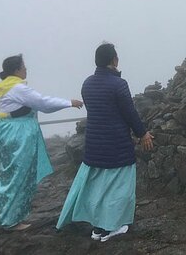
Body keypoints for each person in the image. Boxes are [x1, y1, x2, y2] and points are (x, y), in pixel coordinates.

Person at [57, 43, 153, 242]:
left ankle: (98, 228)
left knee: (98, 189)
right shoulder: (119, 84)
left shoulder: (87, 84)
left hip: (94, 145)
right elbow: (129, 113)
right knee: (119, 189)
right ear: (114, 60)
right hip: (117, 145)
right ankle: (113, 227)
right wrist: (142, 134)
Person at [0, 54, 83, 231]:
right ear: (17, 70)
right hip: (19, 134)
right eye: (23, 66)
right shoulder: (18, 88)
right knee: (19, 176)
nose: (26, 69)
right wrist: (69, 103)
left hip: (6, 131)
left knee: (10, 175)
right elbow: (43, 103)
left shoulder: (5, 87)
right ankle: (12, 220)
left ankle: (9, 216)